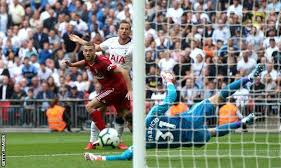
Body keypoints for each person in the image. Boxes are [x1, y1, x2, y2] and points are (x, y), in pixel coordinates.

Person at [84, 64, 265, 161]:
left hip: (190, 141)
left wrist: (99, 158)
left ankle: (242, 122)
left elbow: (124, 157)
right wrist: (168, 80)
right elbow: (171, 96)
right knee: (220, 96)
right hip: (189, 119)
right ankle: (249, 78)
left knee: (213, 132)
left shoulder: (141, 144)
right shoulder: (152, 114)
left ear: (130, 127)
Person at [69, 20, 132, 150]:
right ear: (118, 30)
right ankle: (95, 141)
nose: (124, 31)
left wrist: (131, 89)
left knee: (123, 115)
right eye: (122, 28)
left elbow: (124, 70)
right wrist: (80, 41)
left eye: (127, 29)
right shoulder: (111, 42)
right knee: (102, 110)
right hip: (109, 81)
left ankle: (113, 139)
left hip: (122, 82)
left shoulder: (134, 46)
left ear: (130, 31)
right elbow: (93, 49)